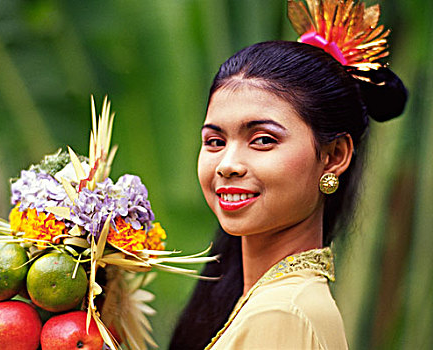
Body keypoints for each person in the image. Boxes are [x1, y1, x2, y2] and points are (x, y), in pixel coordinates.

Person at [170, 2, 407, 349]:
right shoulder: (276, 303)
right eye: (215, 141)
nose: (227, 164)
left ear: (334, 156)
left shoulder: (282, 314)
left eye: (263, 140)